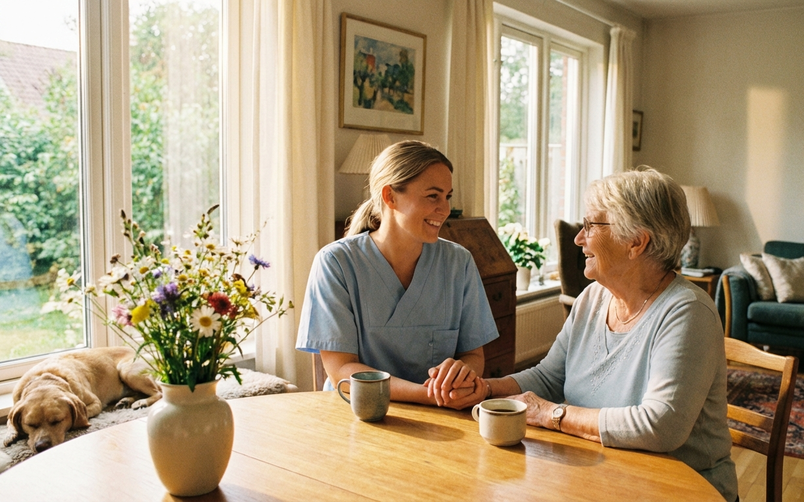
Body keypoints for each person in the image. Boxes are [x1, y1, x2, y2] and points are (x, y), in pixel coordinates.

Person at [453, 166, 738, 502]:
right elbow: (549, 377)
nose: (579, 238)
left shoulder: (687, 313)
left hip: (680, 488)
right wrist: (484, 389)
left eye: (591, 225)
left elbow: (661, 427)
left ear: (636, 242)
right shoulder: (593, 298)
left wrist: (550, 413)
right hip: (601, 476)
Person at [296, 140, 499, 409]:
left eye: (447, 197)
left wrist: (460, 372)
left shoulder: (458, 262)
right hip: (359, 414)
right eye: (432, 196)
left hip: (440, 418)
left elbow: (473, 355)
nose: (445, 209)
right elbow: (341, 370)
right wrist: (429, 395)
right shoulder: (336, 263)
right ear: (390, 196)